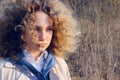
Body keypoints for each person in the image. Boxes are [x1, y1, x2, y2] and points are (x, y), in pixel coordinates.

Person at [0, 0, 78, 80]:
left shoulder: (60, 65)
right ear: (21, 29)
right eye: (36, 29)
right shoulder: (3, 70)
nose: (43, 37)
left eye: (49, 29)